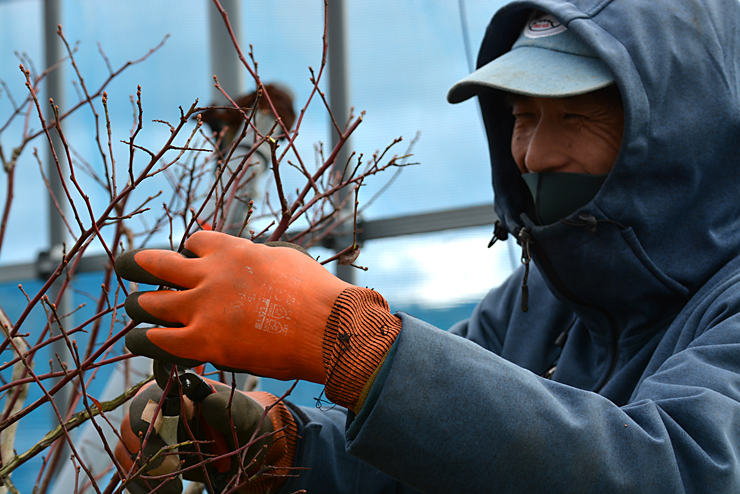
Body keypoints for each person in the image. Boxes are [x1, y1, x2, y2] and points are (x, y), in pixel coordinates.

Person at [114, 0, 740, 492]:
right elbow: (436, 455)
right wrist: (283, 446)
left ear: (681, 132)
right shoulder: (535, 304)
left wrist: (348, 340)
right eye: (522, 117)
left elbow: (681, 470)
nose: (535, 155)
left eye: (576, 115)